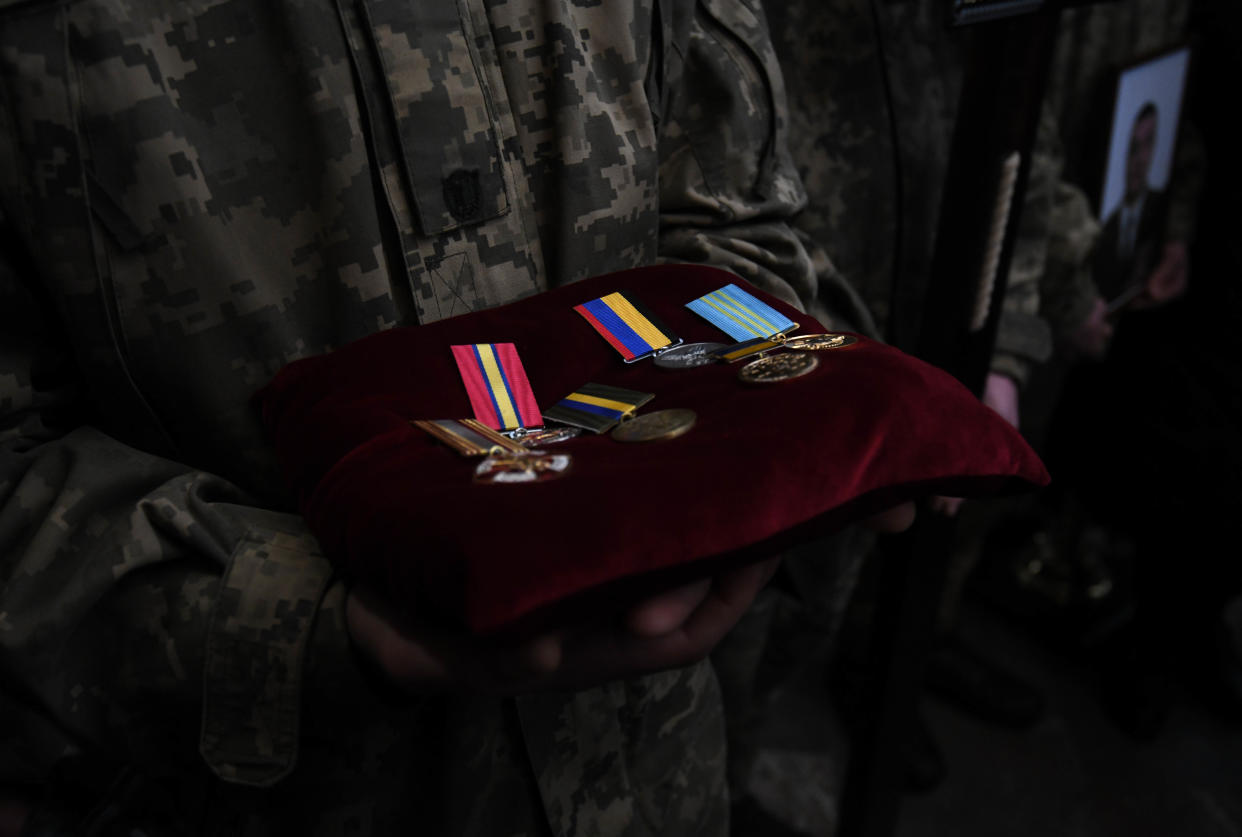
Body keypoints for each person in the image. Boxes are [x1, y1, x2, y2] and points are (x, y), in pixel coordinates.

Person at [0, 2, 913, 834]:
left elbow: (740, 224)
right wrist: (305, 617)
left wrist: (733, 444)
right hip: (255, 790)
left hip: (651, 770)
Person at [1093, 102, 1172, 304]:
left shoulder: (1162, 209)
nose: (1139, 160)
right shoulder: (1105, 228)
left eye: (1147, 145)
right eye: (1133, 148)